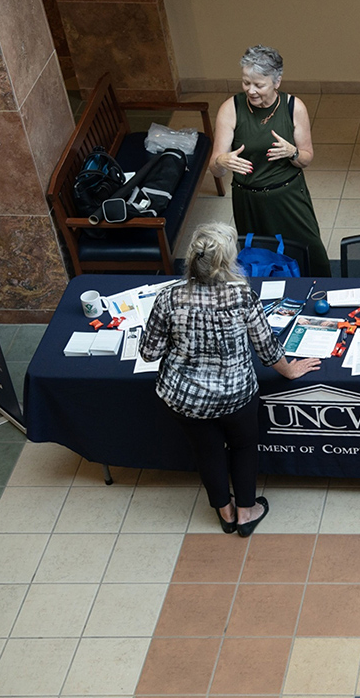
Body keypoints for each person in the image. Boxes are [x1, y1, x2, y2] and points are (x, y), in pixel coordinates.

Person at [139, 222, 320, 537]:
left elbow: (148, 353)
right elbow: (266, 348)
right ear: (227, 261)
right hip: (236, 394)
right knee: (243, 446)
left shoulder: (169, 297)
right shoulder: (241, 295)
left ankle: (224, 510)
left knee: (206, 450)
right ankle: (246, 511)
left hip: (185, 398)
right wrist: (290, 370)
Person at [209, 45, 331, 276]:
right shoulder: (230, 109)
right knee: (259, 261)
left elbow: (306, 158)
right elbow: (215, 170)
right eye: (246, 83)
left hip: (288, 197)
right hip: (249, 201)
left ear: (277, 82)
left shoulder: (294, 107)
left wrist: (292, 152)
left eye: (259, 85)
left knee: (311, 254)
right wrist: (222, 161)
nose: (251, 91)